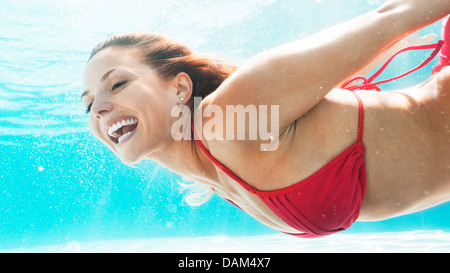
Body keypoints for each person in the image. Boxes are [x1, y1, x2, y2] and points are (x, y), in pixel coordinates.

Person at [82, 0, 450, 238]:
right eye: (88, 104)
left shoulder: (227, 119)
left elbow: (394, 16)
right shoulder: (205, 170)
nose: (98, 108)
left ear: (180, 88)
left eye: (117, 83)